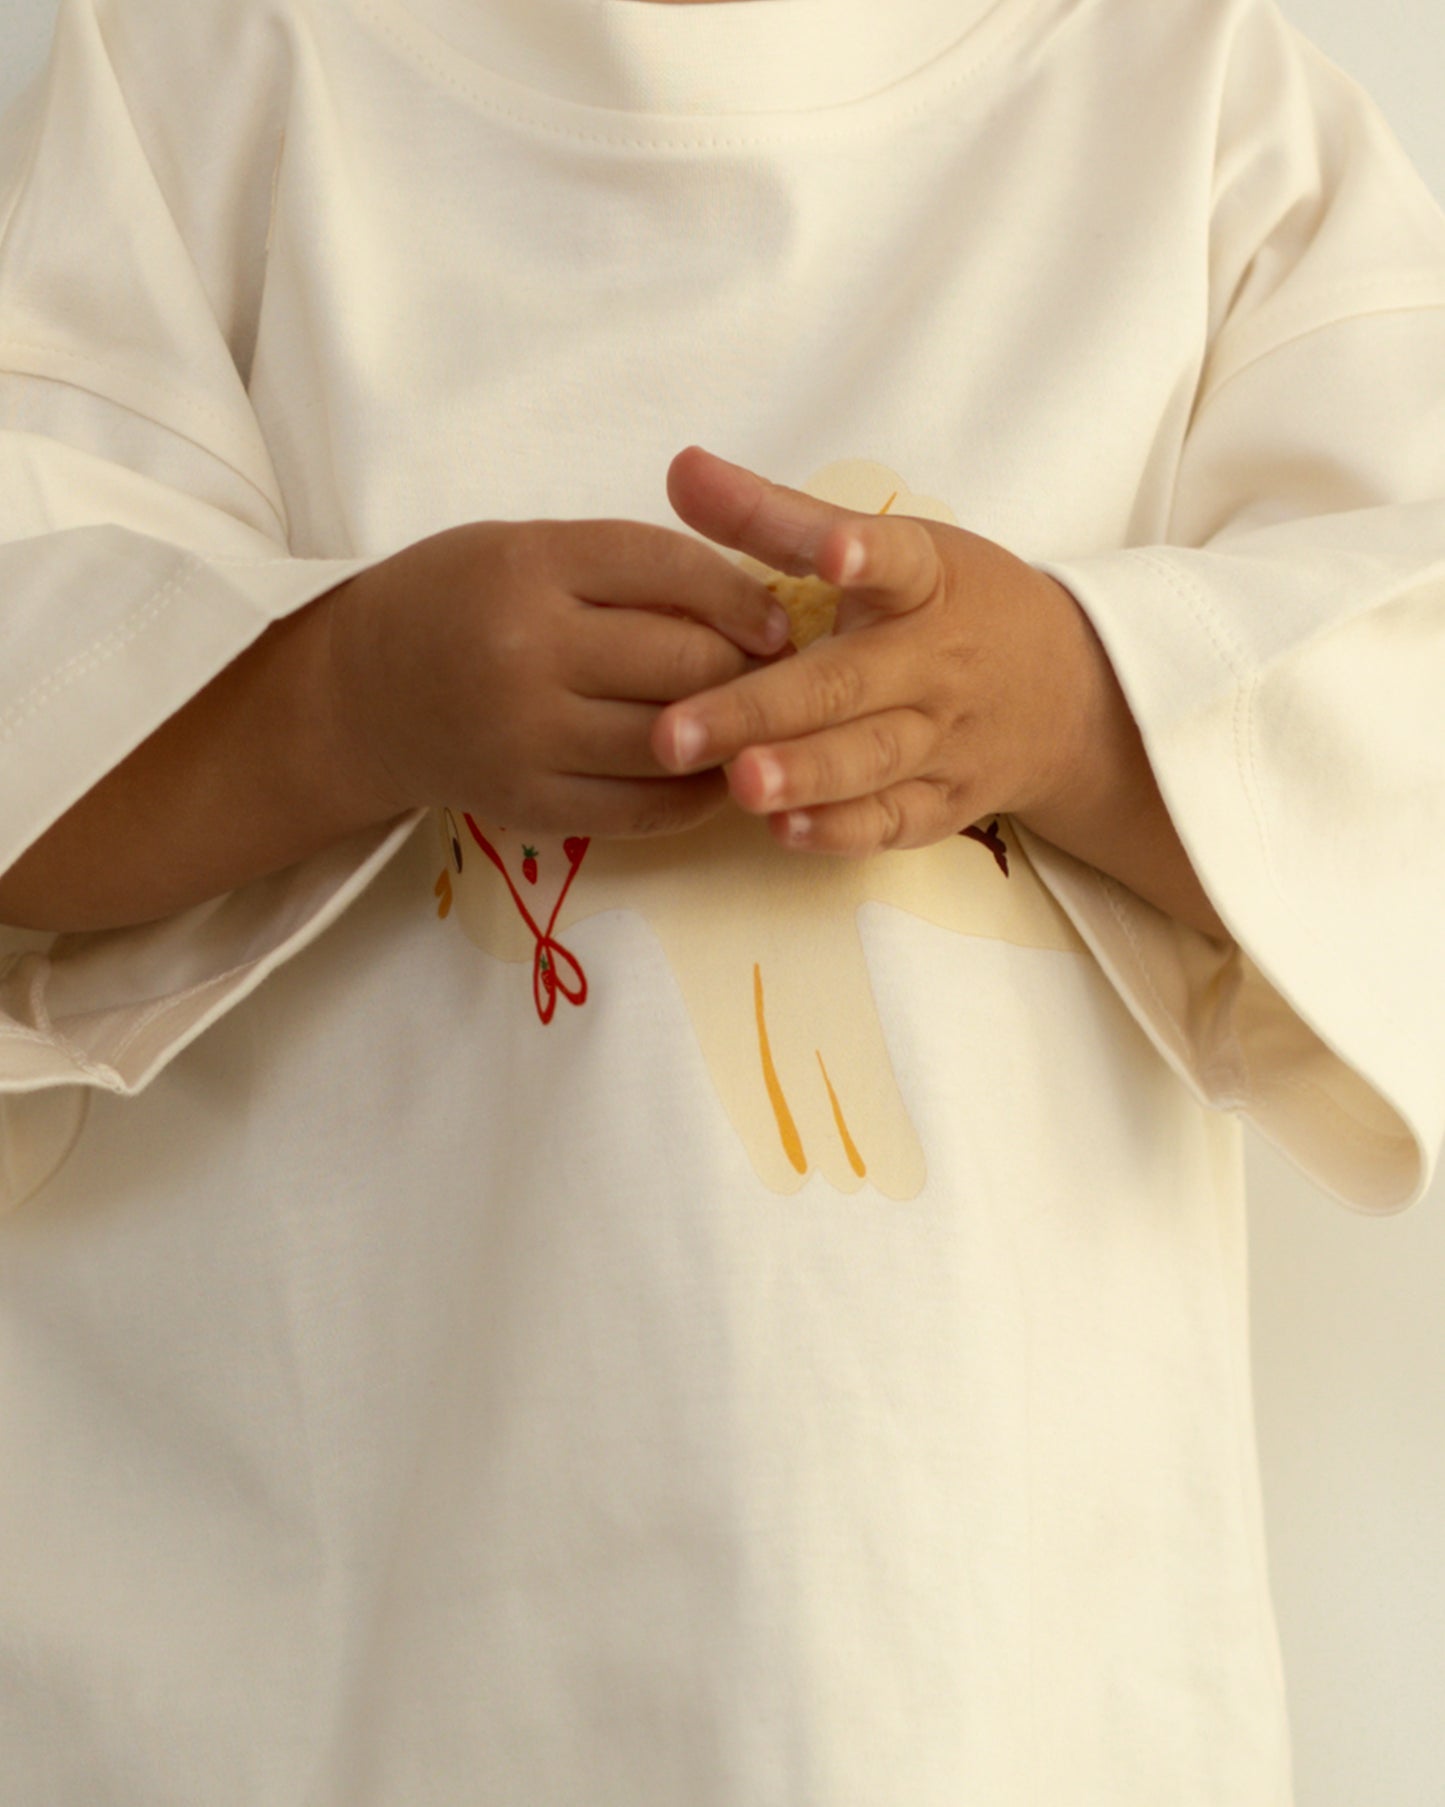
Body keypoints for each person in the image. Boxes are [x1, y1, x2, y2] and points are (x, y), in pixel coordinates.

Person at [0, 0, 1441, 1798]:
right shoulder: (203, 70)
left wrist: (1076, 705)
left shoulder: (1200, 98)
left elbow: (1406, 728)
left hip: (963, 1637)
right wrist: (342, 694)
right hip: (349, 1623)